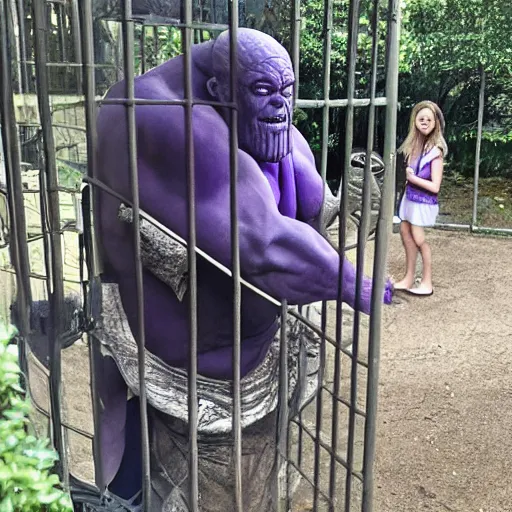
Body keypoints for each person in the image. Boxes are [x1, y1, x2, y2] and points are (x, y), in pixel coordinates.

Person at [93, 28, 393, 510]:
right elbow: (261, 247)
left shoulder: (277, 131)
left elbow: (302, 217)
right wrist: (355, 284)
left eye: (286, 91)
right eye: (262, 91)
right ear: (219, 90)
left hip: (263, 360)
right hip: (187, 373)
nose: (279, 104)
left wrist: (334, 233)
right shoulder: (156, 113)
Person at [394, 101, 448, 296]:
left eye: (429, 119)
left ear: (435, 123)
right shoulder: (415, 146)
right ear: (415, 121)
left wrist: (413, 178)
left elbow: (435, 186)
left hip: (423, 202)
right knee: (404, 231)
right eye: (421, 118)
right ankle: (409, 277)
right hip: (410, 199)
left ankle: (427, 281)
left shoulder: (436, 151)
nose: (424, 122)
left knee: (419, 238)